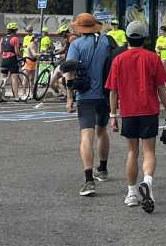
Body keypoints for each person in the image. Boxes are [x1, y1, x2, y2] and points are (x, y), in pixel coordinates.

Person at [106, 21, 166, 213]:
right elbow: (161, 88)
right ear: (145, 38)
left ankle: (131, 193)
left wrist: (113, 115)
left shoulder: (118, 60)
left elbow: (113, 90)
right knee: (149, 152)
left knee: (132, 152)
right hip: (149, 111)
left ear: (127, 37)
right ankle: (147, 182)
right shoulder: (153, 58)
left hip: (128, 112)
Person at [65, 13, 113, 197]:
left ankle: (88, 180)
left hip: (85, 96)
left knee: (87, 135)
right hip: (106, 94)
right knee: (102, 131)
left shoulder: (75, 45)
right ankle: (103, 169)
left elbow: (69, 72)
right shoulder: (106, 42)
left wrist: (70, 98)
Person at [0, 22, 22, 102]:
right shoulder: (15, 39)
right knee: (14, 78)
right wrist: (22, 56)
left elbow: (0, 51)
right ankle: (16, 97)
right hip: (12, 59)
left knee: (2, 78)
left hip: (4, 60)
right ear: (14, 30)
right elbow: (17, 52)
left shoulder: (2, 39)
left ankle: (1, 97)